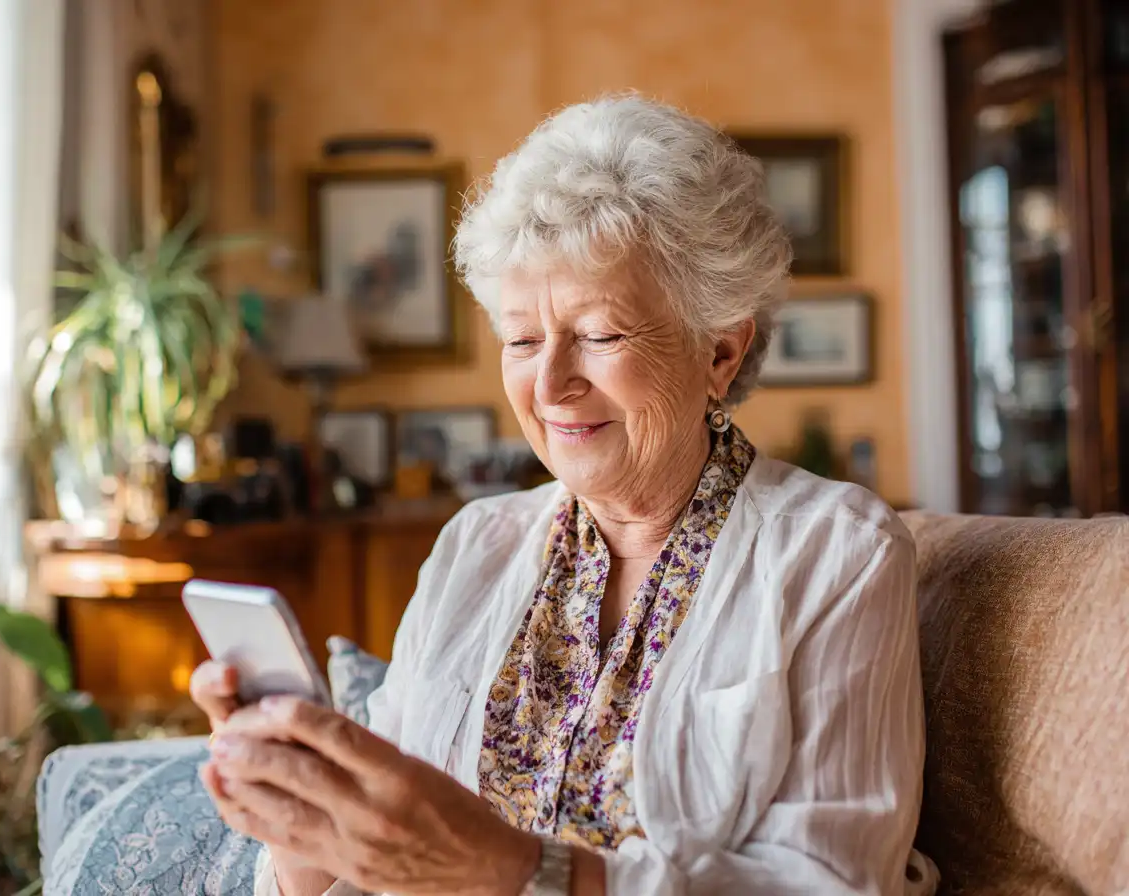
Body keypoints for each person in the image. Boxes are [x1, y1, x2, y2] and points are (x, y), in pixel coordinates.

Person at [192, 94, 925, 896]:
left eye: (600, 335)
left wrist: (512, 870)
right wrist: (295, 806)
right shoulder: (475, 545)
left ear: (720, 351)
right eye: (522, 340)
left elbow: (833, 883)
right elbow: (356, 867)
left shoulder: (834, 553)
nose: (549, 387)